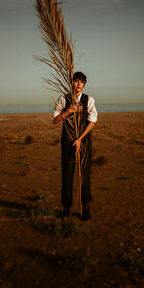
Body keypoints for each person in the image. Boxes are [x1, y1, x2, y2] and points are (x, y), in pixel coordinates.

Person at [52, 71, 98, 220]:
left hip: (83, 140)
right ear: (72, 82)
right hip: (67, 140)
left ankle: (86, 209)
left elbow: (92, 121)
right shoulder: (63, 99)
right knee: (67, 174)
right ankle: (66, 209)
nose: (78, 84)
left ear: (84, 84)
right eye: (76, 81)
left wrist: (80, 139)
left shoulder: (88, 99)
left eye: (81, 81)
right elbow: (55, 120)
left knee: (84, 175)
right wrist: (69, 111)